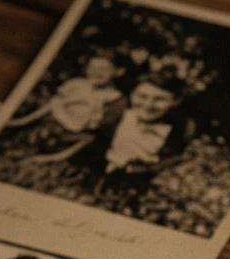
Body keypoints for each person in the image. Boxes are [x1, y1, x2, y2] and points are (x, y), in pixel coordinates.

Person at [83, 72, 197, 212]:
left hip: (141, 187)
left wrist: (144, 169)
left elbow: (175, 158)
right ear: (131, 95)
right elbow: (93, 144)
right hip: (96, 179)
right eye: (142, 96)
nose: (148, 105)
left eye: (160, 99)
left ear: (175, 101)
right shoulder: (116, 115)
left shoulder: (180, 129)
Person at [9, 49, 126, 165]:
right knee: (46, 111)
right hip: (56, 122)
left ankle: (50, 159)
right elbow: (58, 100)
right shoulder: (79, 84)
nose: (96, 72)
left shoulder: (116, 100)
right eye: (92, 67)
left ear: (118, 71)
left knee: (87, 139)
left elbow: (94, 128)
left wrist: (60, 111)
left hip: (78, 133)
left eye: (103, 69)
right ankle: (18, 128)